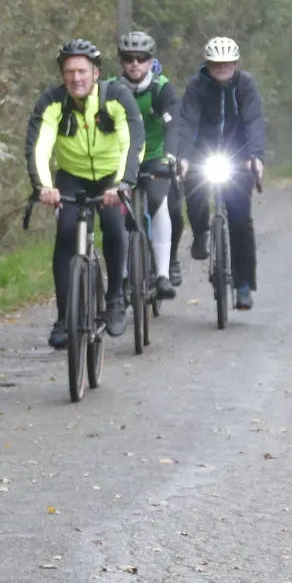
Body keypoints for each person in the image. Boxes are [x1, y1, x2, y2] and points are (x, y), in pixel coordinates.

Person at [25, 39, 143, 348]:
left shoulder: (116, 96)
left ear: (96, 73)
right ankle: (64, 317)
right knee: (65, 235)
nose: (76, 78)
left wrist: (123, 183)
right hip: (71, 177)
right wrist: (43, 186)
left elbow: (131, 141)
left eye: (82, 71)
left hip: (111, 176)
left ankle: (116, 296)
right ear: (62, 75)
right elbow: (40, 145)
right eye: (69, 72)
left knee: (115, 228)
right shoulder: (52, 101)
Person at [169, 36, 267, 310]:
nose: (222, 68)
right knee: (195, 189)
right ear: (208, 64)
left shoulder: (245, 84)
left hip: (239, 155)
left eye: (227, 64)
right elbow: (187, 122)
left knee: (240, 219)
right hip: (204, 152)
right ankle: (201, 232)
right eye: (216, 64)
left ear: (235, 63)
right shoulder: (197, 86)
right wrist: (184, 157)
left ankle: (244, 284)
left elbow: (254, 120)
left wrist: (256, 157)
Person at [118, 31, 180, 299]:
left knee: (159, 202)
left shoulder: (161, 87)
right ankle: (121, 276)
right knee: (118, 214)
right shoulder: (112, 88)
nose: (135, 64)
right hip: (122, 157)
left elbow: (173, 125)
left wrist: (171, 157)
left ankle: (163, 274)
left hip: (155, 155)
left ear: (150, 60)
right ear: (121, 61)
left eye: (141, 58)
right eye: (128, 58)